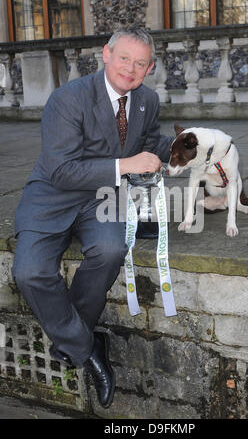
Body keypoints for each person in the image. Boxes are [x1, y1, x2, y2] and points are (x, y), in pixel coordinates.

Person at [12, 27, 173, 409]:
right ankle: (88, 350)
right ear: (105, 54)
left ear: (149, 68)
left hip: (102, 198)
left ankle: (74, 338)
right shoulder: (67, 99)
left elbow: (150, 143)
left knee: (111, 247)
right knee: (30, 272)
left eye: (139, 63)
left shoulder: (147, 100)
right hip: (53, 196)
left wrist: (193, 145)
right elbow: (62, 171)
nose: (130, 69)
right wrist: (126, 164)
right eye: (123, 58)